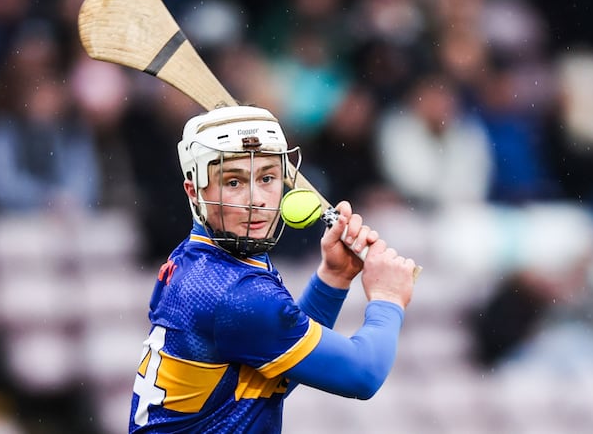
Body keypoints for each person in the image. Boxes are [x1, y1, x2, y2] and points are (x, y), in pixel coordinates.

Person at [129, 105, 418, 433]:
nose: (256, 199)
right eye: (234, 181)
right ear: (194, 192)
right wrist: (387, 300)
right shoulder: (236, 294)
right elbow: (363, 375)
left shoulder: (199, 258)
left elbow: (275, 373)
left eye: (267, 177)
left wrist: (333, 279)